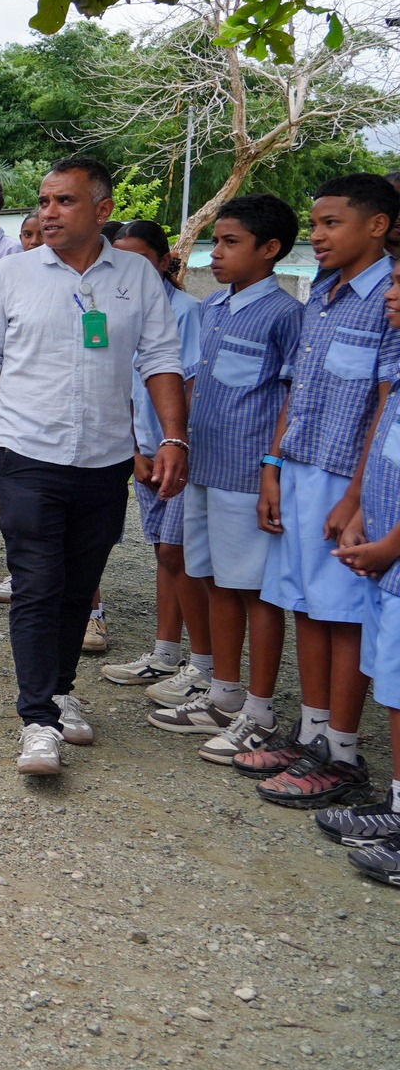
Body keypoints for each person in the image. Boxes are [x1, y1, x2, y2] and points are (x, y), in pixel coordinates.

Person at [0, 157, 187, 776]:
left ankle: (60, 693)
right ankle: (37, 721)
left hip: (105, 458)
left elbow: (161, 359)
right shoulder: (13, 275)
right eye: (44, 201)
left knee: (79, 586)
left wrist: (174, 437)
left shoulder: (136, 277)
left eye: (64, 201)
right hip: (27, 452)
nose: (49, 213)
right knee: (37, 582)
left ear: (102, 210)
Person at [111, 195, 299, 769]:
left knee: (254, 590)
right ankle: (223, 695)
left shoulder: (284, 315)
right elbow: (191, 384)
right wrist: (177, 442)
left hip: (245, 474)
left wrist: (273, 467)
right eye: (215, 241)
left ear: (270, 249)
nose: (215, 253)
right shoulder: (214, 306)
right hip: (203, 467)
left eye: (230, 242)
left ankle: (260, 712)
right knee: (212, 578)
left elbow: (291, 399)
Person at [241, 174, 398, 808]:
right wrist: (273, 466)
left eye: (332, 223)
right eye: (316, 224)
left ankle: (342, 750)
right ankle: (311, 733)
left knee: (343, 612)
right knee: (304, 601)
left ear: (377, 226)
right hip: (300, 465)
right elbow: (297, 386)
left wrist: (356, 497)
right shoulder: (323, 293)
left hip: (346, 479)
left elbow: (384, 403)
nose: (318, 235)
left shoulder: (389, 297)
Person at [97, 221, 214, 735]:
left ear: (166, 261)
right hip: (143, 448)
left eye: (141, 258)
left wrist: (171, 443)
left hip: (179, 450)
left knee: (177, 551)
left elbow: (186, 383)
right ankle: (166, 653)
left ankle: (204, 666)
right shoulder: (117, 308)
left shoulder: (186, 311)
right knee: (163, 553)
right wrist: (134, 450)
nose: (130, 269)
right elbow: (120, 382)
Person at [325, 256, 400, 872]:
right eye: (394, 281)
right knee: (394, 689)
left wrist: (391, 542)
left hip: (394, 555)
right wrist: (360, 514)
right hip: (386, 556)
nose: (391, 294)